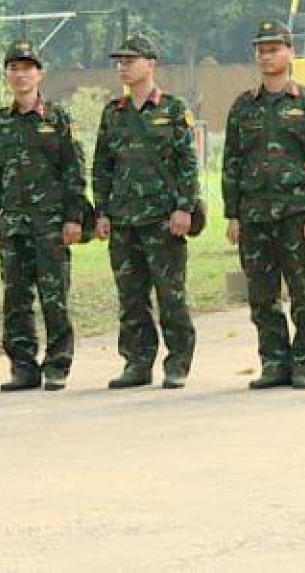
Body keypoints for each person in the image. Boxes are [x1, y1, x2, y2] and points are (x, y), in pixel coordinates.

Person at [222, 20, 305, 390]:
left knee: (303, 295)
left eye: (273, 49)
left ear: (290, 52)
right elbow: (231, 163)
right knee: (262, 297)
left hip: (296, 216)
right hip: (254, 216)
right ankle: (274, 362)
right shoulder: (243, 107)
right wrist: (232, 214)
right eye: (261, 50)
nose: (266, 56)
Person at [0, 40, 90, 392]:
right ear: (7, 75)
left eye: (26, 68)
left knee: (54, 297)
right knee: (15, 300)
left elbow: (74, 170)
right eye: (13, 68)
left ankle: (57, 365)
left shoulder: (57, 119)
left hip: (50, 225)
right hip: (13, 225)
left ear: (39, 75)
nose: (20, 74)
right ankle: (22, 367)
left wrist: (74, 217)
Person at [92, 32, 198, 390]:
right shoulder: (113, 113)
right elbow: (102, 166)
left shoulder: (172, 110)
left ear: (150, 64)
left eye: (130, 60)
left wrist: (184, 208)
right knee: (131, 297)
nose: (122, 66)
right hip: (123, 219)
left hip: (162, 219)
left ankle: (178, 362)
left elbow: (187, 164)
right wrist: (102, 211)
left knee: (171, 294)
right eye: (119, 61)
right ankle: (137, 362)